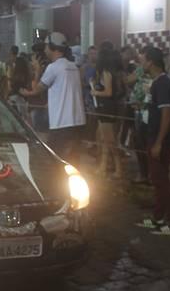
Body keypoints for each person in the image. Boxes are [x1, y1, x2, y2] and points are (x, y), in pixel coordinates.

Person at [22, 32, 86, 166]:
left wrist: (37, 70)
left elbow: (35, 89)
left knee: (54, 162)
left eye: (46, 46)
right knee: (73, 161)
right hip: (78, 122)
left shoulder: (54, 67)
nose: (45, 50)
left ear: (53, 47)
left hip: (61, 123)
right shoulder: (73, 66)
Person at [137, 46, 170, 235]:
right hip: (155, 137)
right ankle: (158, 217)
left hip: (159, 139)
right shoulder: (158, 82)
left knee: (161, 180)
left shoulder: (162, 83)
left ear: (150, 61)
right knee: (158, 179)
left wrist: (159, 142)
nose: (141, 63)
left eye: (142, 60)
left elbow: (167, 113)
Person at [91, 49, 126, 179]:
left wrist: (95, 92)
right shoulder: (104, 73)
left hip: (107, 109)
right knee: (104, 139)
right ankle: (104, 166)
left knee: (110, 141)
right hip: (104, 109)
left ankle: (118, 168)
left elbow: (108, 92)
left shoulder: (106, 73)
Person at [124, 46, 152, 183]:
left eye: (141, 55)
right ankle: (146, 173)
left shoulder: (142, 68)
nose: (139, 57)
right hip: (140, 108)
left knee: (142, 143)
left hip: (142, 110)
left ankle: (144, 174)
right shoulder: (145, 68)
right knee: (142, 142)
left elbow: (128, 80)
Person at [7, 56, 31, 120]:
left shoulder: (16, 78)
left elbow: (10, 88)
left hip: (16, 101)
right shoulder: (27, 76)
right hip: (23, 102)